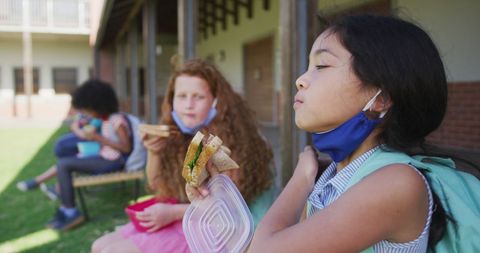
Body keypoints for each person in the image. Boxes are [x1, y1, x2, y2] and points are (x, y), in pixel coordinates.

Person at [187, 15, 450, 252]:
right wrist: (216, 197)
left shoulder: (397, 183)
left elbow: (263, 250)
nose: (300, 79)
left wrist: (302, 178)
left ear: (380, 98)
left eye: (322, 66)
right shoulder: (334, 175)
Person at [91, 59, 274, 253]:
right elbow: (156, 185)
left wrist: (172, 213)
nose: (188, 105)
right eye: (181, 96)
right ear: (171, 100)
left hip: (225, 228)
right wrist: (154, 152)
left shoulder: (227, 140)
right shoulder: (183, 135)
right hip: (190, 216)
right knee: (99, 245)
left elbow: (227, 206)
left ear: (216, 101)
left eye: (198, 97)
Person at [48, 79, 132, 231]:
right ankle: (66, 207)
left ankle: (70, 211)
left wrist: (99, 138)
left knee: (64, 164)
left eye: (87, 109)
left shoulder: (117, 120)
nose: (86, 113)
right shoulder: (104, 119)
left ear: (98, 105)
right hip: (104, 156)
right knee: (64, 157)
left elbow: (126, 148)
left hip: (114, 161)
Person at [16, 111, 102, 200]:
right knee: (67, 159)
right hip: (97, 150)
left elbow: (87, 135)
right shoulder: (97, 117)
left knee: (67, 161)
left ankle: (42, 184)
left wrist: (75, 127)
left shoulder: (99, 118)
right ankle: (54, 188)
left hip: (101, 154)